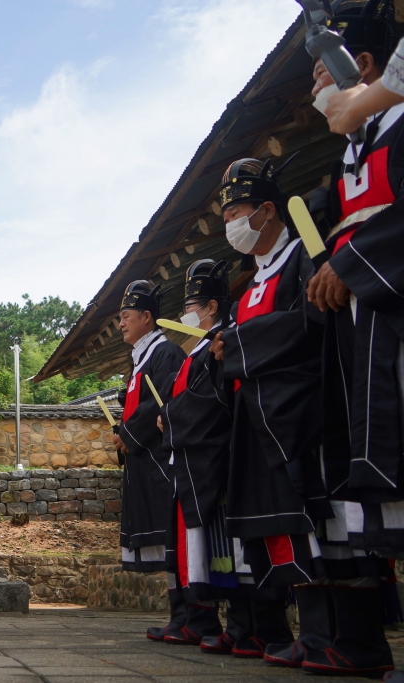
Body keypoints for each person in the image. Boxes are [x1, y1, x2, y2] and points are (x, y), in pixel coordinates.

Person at [295, 2, 401, 674]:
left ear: (361, 65)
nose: (314, 93)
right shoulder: (350, 157)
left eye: (318, 78)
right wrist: (326, 270)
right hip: (362, 334)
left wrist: (351, 264)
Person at [210, 157, 330, 660]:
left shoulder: (303, 257)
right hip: (257, 420)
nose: (230, 223)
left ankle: (330, 634)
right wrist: (226, 347)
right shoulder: (250, 285)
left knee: (314, 525)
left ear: (265, 209)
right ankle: (303, 632)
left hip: (299, 413)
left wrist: (236, 344)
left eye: (235, 210)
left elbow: (307, 322)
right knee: (274, 525)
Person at [158, 260, 290, 657]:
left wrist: (169, 417)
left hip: (229, 455)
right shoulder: (197, 351)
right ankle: (240, 625)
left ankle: (266, 627)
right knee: (225, 553)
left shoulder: (223, 342)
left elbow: (207, 402)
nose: (185, 315)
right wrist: (167, 415)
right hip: (203, 463)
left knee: (243, 546)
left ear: (211, 307)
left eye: (191, 305)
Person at [111, 281, 203, 643]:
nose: (121, 323)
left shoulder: (165, 354)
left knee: (175, 539)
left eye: (126, 316)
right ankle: (179, 615)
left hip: (162, 463)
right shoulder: (139, 360)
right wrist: (122, 434)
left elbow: (161, 402)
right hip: (145, 463)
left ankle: (192, 614)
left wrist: (130, 434)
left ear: (147, 317)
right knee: (167, 545)